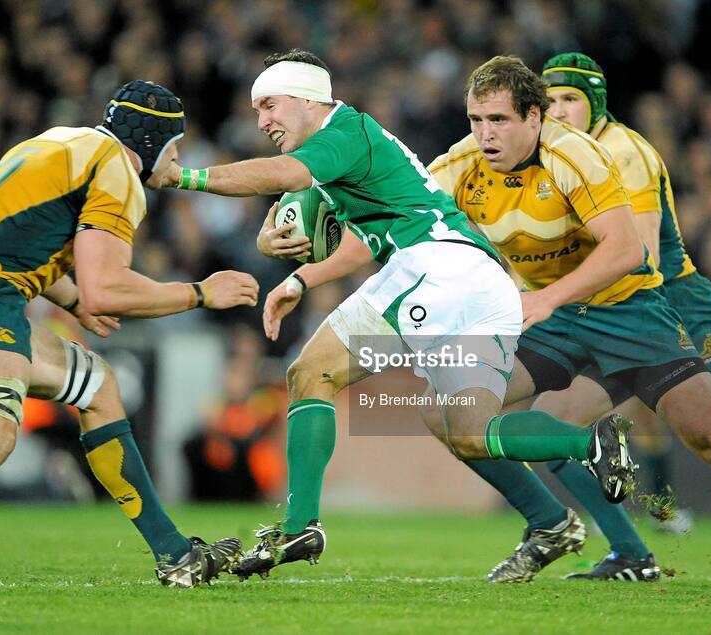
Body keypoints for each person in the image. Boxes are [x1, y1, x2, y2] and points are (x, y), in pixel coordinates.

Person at [420, 56, 711, 593]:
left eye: (498, 120)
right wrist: (319, 249)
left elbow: (630, 252)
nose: (484, 134)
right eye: (476, 120)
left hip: (641, 308)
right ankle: (565, 527)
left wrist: (543, 297)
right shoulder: (460, 166)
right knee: (450, 408)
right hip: (558, 314)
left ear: (536, 116)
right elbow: (407, 216)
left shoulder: (598, 154)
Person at [162, 49, 635, 579]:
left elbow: (281, 174)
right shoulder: (351, 151)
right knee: (468, 430)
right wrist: (299, 276)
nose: (263, 120)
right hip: (480, 283)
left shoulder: (342, 133)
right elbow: (363, 234)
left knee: (309, 372)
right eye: (256, 111)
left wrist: (185, 178)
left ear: (307, 100)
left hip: (435, 267)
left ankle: (299, 526)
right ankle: (585, 450)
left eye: (269, 105)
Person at [0, 80, 259, 590]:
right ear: (150, 145)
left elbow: (18, 236)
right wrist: (200, 293)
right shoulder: (118, 170)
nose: (175, 166)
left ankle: (175, 555)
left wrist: (72, 301)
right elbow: (106, 287)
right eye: (173, 151)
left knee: (97, 385)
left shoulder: (60, 141)